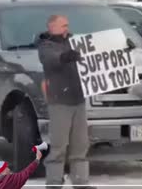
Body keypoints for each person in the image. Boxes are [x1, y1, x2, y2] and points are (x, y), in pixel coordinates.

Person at [36, 15, 96, 189]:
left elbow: (96, 54)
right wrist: (65, 57)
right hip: (60, 102)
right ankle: (54, 183)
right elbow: (51, 59)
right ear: (51, 27)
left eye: (67, 25)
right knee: (59, 146)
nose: (66, 29)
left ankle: (81, 182)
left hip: (78, 99)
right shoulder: (45, 46)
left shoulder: (74, 42)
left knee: (80, 145)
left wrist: (122, 50)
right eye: (63, 26)